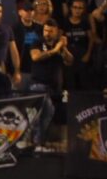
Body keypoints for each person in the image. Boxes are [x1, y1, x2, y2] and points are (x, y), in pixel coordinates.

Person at [27, 19, 73, 147]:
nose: (47, 33)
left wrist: (64, 48)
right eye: (45, 30)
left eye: (50, 31)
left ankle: (38, 142)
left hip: (54, 88)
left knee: (47, 115)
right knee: (46, 111)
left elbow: (70, 61)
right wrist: (54, 50)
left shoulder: (59, 45)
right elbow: (35, 57)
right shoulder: (37, 42)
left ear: (56, 32)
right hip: (38, 85)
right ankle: (35, 142)